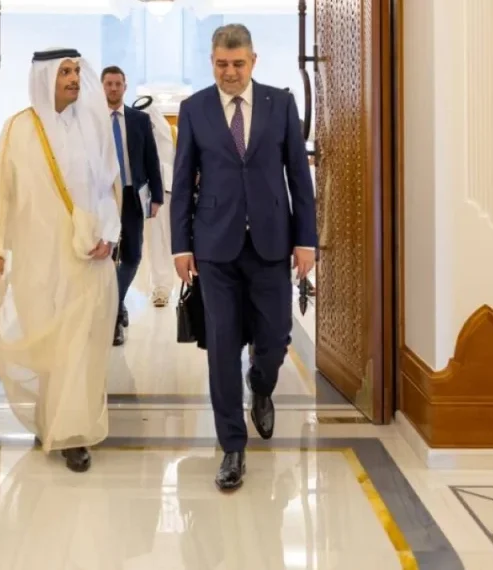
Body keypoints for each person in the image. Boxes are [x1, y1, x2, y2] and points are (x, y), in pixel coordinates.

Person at [171, 24, 317, 491]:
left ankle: (262, 383)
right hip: (214, 248)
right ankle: (232, 446)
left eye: (237, 63)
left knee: (275, 336)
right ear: (211, 62)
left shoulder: (281, 104)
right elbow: (182, 180)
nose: (229, 72)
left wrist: (306, 240)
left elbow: (298, 177)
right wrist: (180, 245)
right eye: (221, 64)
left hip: (272, 243)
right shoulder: (195, 109)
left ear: (253, 61)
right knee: (221, 347)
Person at [0, 48, 122, 473]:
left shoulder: (93, 124)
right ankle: (52, 421)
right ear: (45, 78)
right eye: (65, 72)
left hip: (87, 257)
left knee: (80, 344)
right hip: (37, 258)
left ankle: (75, 434)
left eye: (76, 71)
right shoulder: (19, 129)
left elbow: (109, 188)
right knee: (50, 343)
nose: (74, 79)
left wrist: (109, 235)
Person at [101, 66, 164, 345]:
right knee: (105, 258)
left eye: (118, 84)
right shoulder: (92, 121)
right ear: (102, 87)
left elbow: (152, 158)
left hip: (132, 196)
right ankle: (114, 316)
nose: (114, 88)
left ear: (125, 87)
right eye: (109, 84)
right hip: (103, 198)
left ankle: (116, 303)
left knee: (133, 255)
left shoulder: (140, 120)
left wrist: (157, 196)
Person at [132, 95, 177, 307]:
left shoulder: (172, 133)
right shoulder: (135, 132)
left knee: (169, 240)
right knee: (152, 242)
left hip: (169, 193)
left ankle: (169, 285)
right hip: (144, 195)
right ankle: (159, 287)